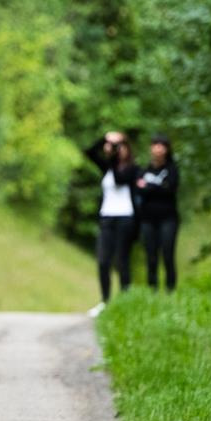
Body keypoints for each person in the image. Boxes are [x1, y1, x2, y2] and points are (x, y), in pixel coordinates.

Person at [84, 131, 140, 315]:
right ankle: (105, 301)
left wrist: (114, 155)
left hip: (125, 216)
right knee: (103, 260)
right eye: (116, 147)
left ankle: (125, 299)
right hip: (107, 216)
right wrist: (105, 138)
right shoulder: (107, 167)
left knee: (122, 260)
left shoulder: (132, 169)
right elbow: (89, 152)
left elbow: (119, 178)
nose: (117, 150)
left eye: (121, 146)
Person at [135, 134, 181, 291]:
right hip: (148, 219)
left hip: (168, 218)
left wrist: (149, 187)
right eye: (155, 145)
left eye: (162, 145)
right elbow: (138, 190)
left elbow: (170, 189)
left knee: (167, 254)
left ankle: (170, 289)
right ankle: (152, 289)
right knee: (151, 256)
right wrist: (157, 187)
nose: (158, 149)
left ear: (167, 149)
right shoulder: (145, 169)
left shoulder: (171, 169)